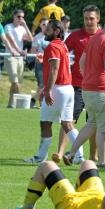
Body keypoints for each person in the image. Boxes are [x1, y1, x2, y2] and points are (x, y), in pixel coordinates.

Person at [62, 13, 105, 169]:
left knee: (91, 124)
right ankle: (102, 161)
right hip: (102, 90)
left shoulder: (94, 38)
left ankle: (71, 153)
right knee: (104, 128)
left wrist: (88, 77)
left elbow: (82, 62)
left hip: (87, 89)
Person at [24, 20, 83, 164]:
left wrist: (48, 89)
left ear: (57, 31)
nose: (45, 31)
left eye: (49, 29)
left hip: (58, 89)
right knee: (67, 125)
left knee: (45, 123)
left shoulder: (53, 45)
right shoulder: (62, 45)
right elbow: (59, 65)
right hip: (68, 89)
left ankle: (40, 157)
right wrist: (44, 59)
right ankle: (79, 156)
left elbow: (55, 69)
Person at [54, 5, 101, 163]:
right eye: (86, 18)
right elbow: (62, 52)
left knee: (94, 123)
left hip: (97, 88)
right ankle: (60, 153)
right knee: (68, 120)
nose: (88, 21)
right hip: (77, 85)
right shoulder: (75, 36)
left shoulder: (103, 37)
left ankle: (92, 157)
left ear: (98, 19)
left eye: (91, 18)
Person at [4, 9, 33, 108]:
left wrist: (25, 25)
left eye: (22, 17)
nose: (20, 19)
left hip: (20, 58)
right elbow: (10, 40)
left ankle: (11, 104)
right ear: (14, 16)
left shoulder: (22, 28)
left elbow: (30, 39)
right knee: (15, 82)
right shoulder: (8, 27)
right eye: (19, 17)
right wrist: (19, 50)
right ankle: (16, 104)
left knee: (17, 83)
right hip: (10, 57)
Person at [29, 18, 50, 109]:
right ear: (40, 25)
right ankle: (42, 104)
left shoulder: (52, 36)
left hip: (51, 64)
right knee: (41, 84)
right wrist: (40, 55)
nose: (45, 26)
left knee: (50, 84)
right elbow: (33, 51)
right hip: (40, 64)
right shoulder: (37, 37)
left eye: (47, 24)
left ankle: (33, 99)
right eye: (43, 24)